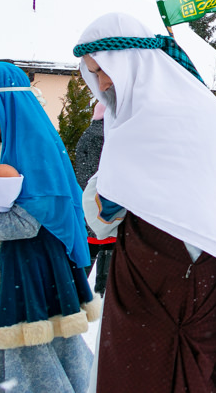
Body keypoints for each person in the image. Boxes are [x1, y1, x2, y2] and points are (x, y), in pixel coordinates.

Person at [74, 13, 216, 393]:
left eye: (106, 69)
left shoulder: (191, 115)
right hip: (137, 275)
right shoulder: (120, 118)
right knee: (131, 370)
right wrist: (112, 197)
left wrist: (135, 194)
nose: (102, 82)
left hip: (187, 274)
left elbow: (210, 190)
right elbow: (101, 211)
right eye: (93, 73)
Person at [0, 61, 99, 393]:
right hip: (7, 273)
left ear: (7, 101)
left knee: (31, 363)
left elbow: (28, 222)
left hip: (26, 273)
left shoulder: (35, 148)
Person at [74, 101, 116, 296]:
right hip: (98, 203)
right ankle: (92, 292)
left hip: (92, 203)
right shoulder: (102, 136)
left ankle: (88, 292)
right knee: (97, 246)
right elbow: (95, 173)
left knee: (96, 247)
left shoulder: (93, 134)